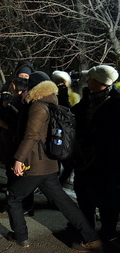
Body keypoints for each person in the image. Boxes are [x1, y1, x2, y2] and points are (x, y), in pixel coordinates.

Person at [6, 71, 102, 252]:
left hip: (36, 165)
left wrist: (19, 159)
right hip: (49, 164)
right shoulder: (51, 103)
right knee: (64, 202)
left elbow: (31, 136)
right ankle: (92, 238)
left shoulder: (37, 107)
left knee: (13, 198)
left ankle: (21, 237)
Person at [70, 65, 120, 243]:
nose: (87, 81)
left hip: (107, 159)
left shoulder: (115, 103)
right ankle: (87, 226)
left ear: (100, 82)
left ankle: (108, 231)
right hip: (84, 157)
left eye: (90, 78)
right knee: (83, 192)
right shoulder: (88, 98)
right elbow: (74, 114)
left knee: (108, 196)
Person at [0, 77, 34, 216]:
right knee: (12, 176)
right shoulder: (13, 101)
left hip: (15, 145)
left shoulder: (24, 103)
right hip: (8, 144)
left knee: (19, 178)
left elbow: (22, 126)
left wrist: (6, 124)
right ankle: (15, 204)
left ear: (15, 86)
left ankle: (24, 206)